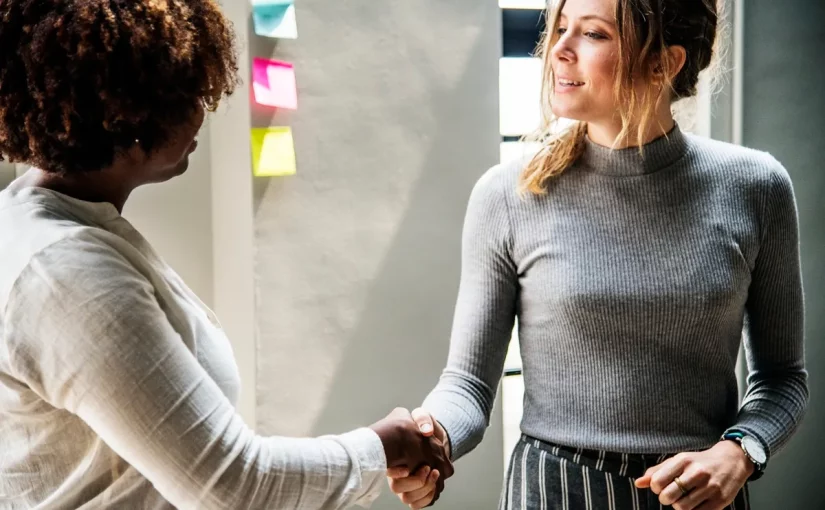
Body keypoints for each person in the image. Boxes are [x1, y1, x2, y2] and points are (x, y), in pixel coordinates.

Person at [0, 1, 452, 509]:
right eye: (188, 92)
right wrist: (383, 444)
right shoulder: (67, 276)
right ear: (130, 113)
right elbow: (234, 487)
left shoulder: (37, 223)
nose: (205, 109)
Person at [388, 0, 808, 508]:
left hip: (698, 498)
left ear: (665, 62)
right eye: (560, 28)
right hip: (551, 493)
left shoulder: (756, 187)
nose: (558, 50)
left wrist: (740, 452)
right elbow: (468, 384)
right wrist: (433, 440)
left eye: (593, 34)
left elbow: (782, 380)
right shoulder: (506, 195)